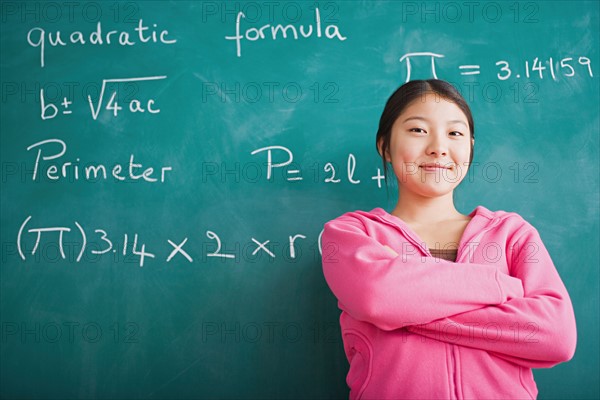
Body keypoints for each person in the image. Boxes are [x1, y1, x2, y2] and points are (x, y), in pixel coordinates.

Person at [321, 79, 577, 399]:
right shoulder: (350, 234)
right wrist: (503, 287)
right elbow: (378, 297)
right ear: (384, 145)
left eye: (454, 133)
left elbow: (557, 336)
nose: (438, 147)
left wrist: (405, 308)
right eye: (417, 130)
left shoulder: (512, 234)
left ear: (470, 146)